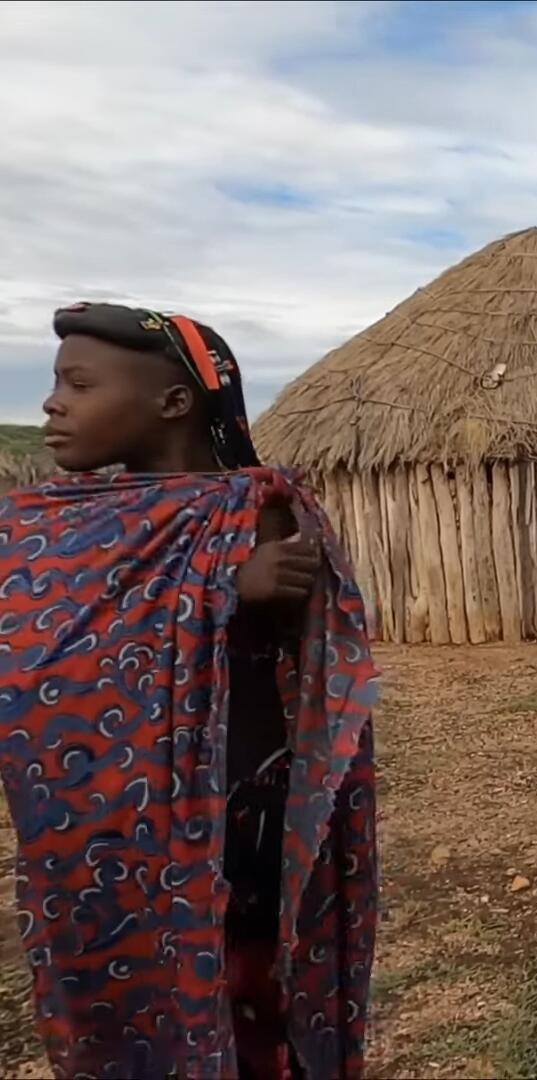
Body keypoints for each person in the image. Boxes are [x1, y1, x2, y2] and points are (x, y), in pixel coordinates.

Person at [0, 302, 378, 1079]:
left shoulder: (255, 509)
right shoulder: (59, 524)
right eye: (57, 383)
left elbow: (316, 655)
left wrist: (237, 589)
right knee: (119, 997)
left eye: (79, 384)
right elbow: (42, 643)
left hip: (228, 820)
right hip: (96, 828)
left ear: (174, 401)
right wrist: (223, 588)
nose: (52, 404)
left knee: (246, 994)